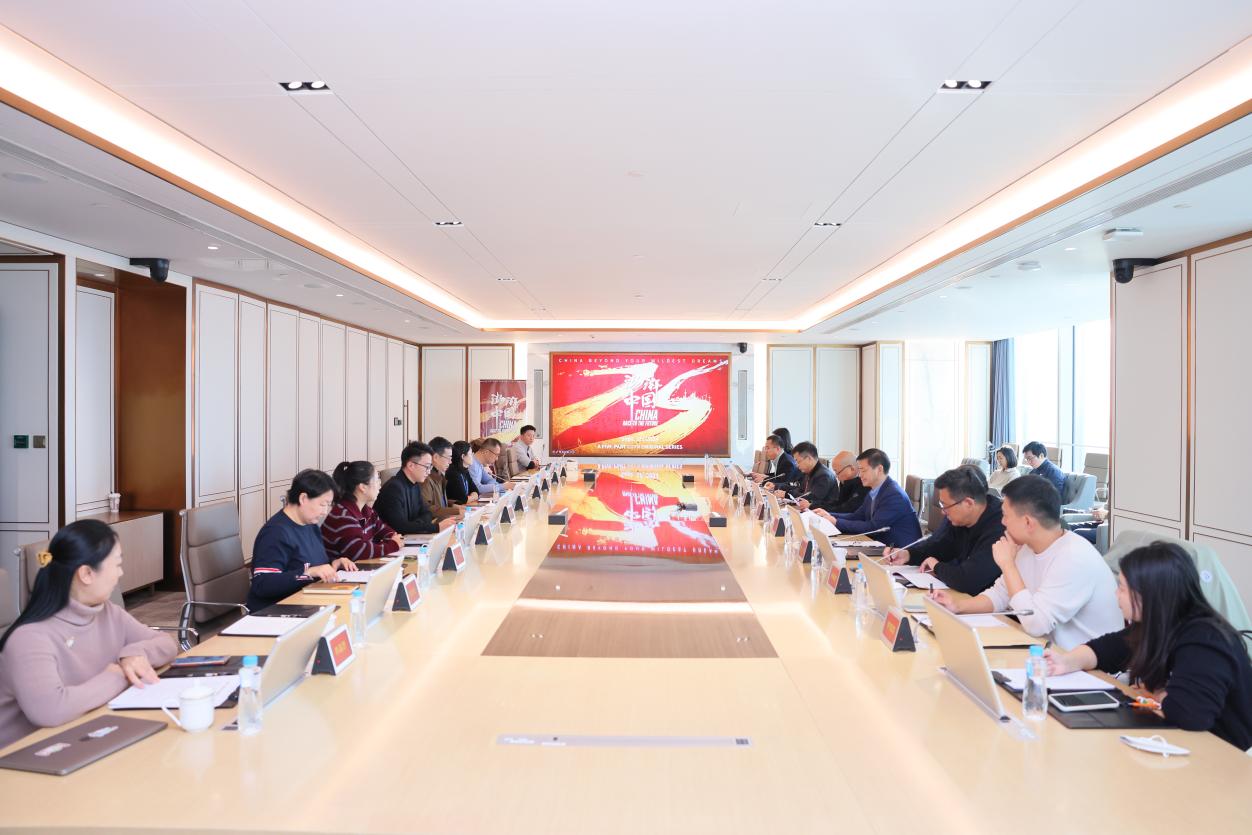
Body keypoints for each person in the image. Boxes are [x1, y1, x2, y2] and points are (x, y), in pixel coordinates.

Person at [1045, 541, 1252, 750]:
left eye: (1122, 588)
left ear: (1149, 595)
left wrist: (1158, 694)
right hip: (1183, 742)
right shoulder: (1160, 623)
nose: (1116, 594)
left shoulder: (1205, 641)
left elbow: (1189, 715)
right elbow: (1106, 649)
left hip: (1223, 752)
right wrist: (1066, 662)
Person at [0, 520, 179, 749]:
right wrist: (118, 675)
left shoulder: (108, 613)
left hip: (82, 737)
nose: (121, 573)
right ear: (86, 573)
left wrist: (133, 654)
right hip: (25, 757)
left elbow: (166, 644)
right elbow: (50, 710)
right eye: (117, 564)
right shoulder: (29, 638)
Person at [930, 475, 1123, 649]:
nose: (1002, 522)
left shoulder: (1074, 557)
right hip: (1046, 652)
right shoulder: (1028, 547)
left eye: (1006, 516)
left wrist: (1008, 565)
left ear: (1028, 522)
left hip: (1087, 668)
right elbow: (999, 595)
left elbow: (1036, 624)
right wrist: (958, 606)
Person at [884, 465, 1004, 594]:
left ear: (968, 503)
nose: (942, 511)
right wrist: (908, 554)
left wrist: (937, 567)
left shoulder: (1000, 526)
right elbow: (940, 546)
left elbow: (969, 580)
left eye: (945, 505)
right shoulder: (960, 518)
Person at [248, 469, 347, 612]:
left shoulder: (310, 525)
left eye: (328, 505)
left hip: (307, 601)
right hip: (277, 610)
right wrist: (308, 572)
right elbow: (263, 584)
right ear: (303, 498)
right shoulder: (276, 532)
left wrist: (334, 563)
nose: (325, 512)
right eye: (322, 504)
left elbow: (313, 562)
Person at [828, 448, 923, 548]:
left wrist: (836, 522)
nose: (860, 475)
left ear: (879, 469)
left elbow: (874, 528)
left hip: (901, 551)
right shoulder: (875, 490)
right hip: (882, 545)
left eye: (863, 470)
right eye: (860, 470)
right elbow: (857, 516)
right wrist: (829, 515)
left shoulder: (894, 495)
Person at [322, 460, 404, 563]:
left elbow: (382, 529)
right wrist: (392, 545)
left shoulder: (367, 511)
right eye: (377, 479)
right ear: (362, 487)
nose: (380, 484)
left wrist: (392, 536)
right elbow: (358, 551)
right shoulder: (342, 515)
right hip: (340, 571)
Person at [375, 442, 458, 536]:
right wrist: (437, 527)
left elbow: (427, 513)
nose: (429, 471)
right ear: (411, 465)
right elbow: (400, 527)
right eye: (427, 466)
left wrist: (414, 525)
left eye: (430, 467)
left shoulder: (415, 484)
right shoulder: (393, 489)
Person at [773, 442, 838, 511]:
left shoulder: (823, 476)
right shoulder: (809, 471)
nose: (797, 465)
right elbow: (800, 489)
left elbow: (811, 498)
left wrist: (787, 494)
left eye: (798, 461)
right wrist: (786, 493)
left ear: (809, 459)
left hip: (823, 514)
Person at [811, 449, 870, 515]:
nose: (836, 476)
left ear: (851, 468)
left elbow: (846, 509)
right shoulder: (846, 482)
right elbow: (838, 502)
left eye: (837, 472)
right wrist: (814, 505)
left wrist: (819, 509)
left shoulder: (865, 485)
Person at [422, 437, 464, 522]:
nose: (450, 462)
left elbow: (439, 502)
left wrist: (452, 505)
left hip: (443, 521)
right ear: (436, 457)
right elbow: (427, 508)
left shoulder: (439, 474)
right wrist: (455, 511)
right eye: (448, 458)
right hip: (435, 525)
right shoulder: (425, 478)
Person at [445, 440, 479, 505]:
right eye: (471, 454)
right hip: (454, 509)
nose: (473, 456)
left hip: (464, 507)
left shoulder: (465, 470)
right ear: (463, 456)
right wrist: (472, 497)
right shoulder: (453, 473)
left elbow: (476, 491)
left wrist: (470, 498)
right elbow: (463, 500)